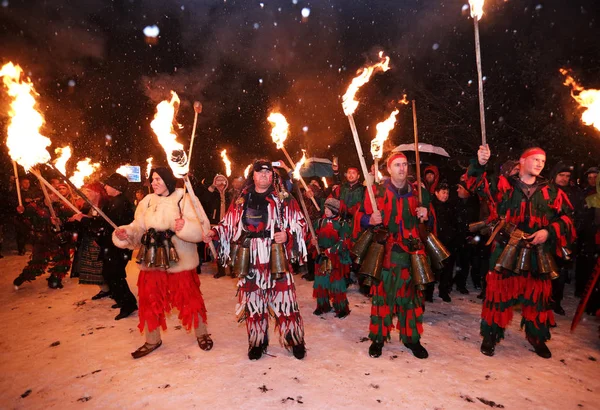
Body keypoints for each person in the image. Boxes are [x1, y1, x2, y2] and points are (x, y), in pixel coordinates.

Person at [469, 145, 575, 358]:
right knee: (497, 297)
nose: (539, 164)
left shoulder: (552, 191)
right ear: (522, 161)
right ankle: (491, 335)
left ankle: (536, 337)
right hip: (505, 249)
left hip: (537, 253)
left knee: (538, 299)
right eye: (535, 159)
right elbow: (475, 184)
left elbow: (567, 218)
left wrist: (548, 231)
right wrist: (479, 164)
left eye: (542, 161)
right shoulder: (504, 185)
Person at [205, 160, 307, 361]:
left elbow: (300, 223)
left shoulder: (283, 198)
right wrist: (214, 232)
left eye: (268, 173)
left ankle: (294, 340)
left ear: (272, 176)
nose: (263, 176)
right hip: (250, 256)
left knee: (285, 300)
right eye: (259, 172)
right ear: (253, 176)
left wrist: (287, 235)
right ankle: (257, 342)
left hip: (275, 254)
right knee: (253, 301)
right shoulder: (242, 199)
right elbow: (228, 223)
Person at [113, 166, 213, 358]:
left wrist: (185, 226)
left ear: (167, 180)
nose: (154, 183)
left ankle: (202, 334)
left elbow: (203, 226)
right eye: (152, 179)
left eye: (158, 179)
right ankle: (152, 340)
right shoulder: (147, 201)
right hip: (152, 257)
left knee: (189, 298)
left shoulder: (184, 198)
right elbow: (138, 226)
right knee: (149, 298)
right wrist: (127, 232)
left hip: (180, 258)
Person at [354, 152, 432, 359]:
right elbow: (359, 216)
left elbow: (429, 223)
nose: (402, 168)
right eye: (397, 165)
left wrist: (427, 215)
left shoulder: (418, 193)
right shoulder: (376, 192)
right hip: (385, 253)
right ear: (389, 169)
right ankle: (378, 339)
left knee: (411, 300)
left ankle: (412, 339)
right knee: (383, 299)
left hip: (410, 254)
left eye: (405, 164)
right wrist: (369, 219)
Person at [98, 173, 137, 320]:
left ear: (116, 188)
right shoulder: (114, 201)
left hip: (118, 247)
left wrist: (85, 220)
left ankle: (128, 304)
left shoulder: (120, 203)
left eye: (108, 185)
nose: (105, 187)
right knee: (112, 275)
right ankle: (123, 300)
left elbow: (108, 223)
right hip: (114, 247)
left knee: (114, 275)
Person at [311, 197, 352, 318]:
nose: (326, 210)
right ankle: (322, 305)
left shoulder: (342, 224)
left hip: (335, 258)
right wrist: (314, 241)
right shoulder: (320, 222)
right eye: (325, 208)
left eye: (329, 209)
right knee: (321, 282)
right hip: (322, 256)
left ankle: (341, 308)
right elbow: (313, 235)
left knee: (336, 284)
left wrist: (332, 250)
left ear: (335, 210)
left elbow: (344, 241)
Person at [425, 183, 456, 303]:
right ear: (436, 193)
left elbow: (454, 223)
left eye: (447, 193)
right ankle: (429, 292)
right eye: (443, 192)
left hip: (448, 240)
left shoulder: (450, 206)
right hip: (434, 240)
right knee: (433, 268)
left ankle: (443, 291)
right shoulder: (431, 206)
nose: (446, 195)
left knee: (447, 268)